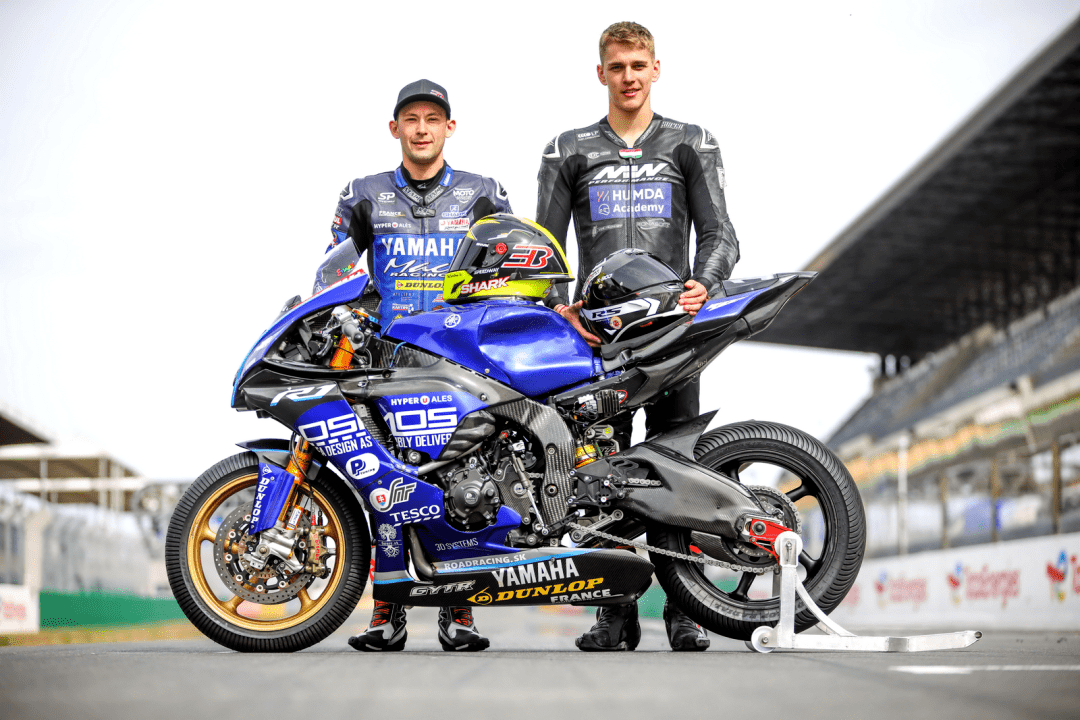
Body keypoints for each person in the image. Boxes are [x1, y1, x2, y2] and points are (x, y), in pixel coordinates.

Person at [535, 21, 740, 652]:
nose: (628, 77)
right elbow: (544, 248)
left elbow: (722, 234)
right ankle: (614, 613)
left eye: (638, 65)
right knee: (601, 472)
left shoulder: (690, 142)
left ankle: (686, 611)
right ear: (601, 73)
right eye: (617, 66)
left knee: (678, 467)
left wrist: (704, 283)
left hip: (672, 331)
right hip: (597, 338)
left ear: (656, 69)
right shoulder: (566, 149)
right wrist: (560, 309)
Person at [331, 79, 512, 652]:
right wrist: (355, 320)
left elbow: (512, 265)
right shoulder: (364, 193)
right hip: (386, 362)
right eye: (411, 119)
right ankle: (387, 616)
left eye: (433, 119)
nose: (422, 129)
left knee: (462, 481)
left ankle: (459, 615)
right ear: (395, 128)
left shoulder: (483, 192)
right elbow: (335, 272)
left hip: (461, 360)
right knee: (384, 483)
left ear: (449, 128)